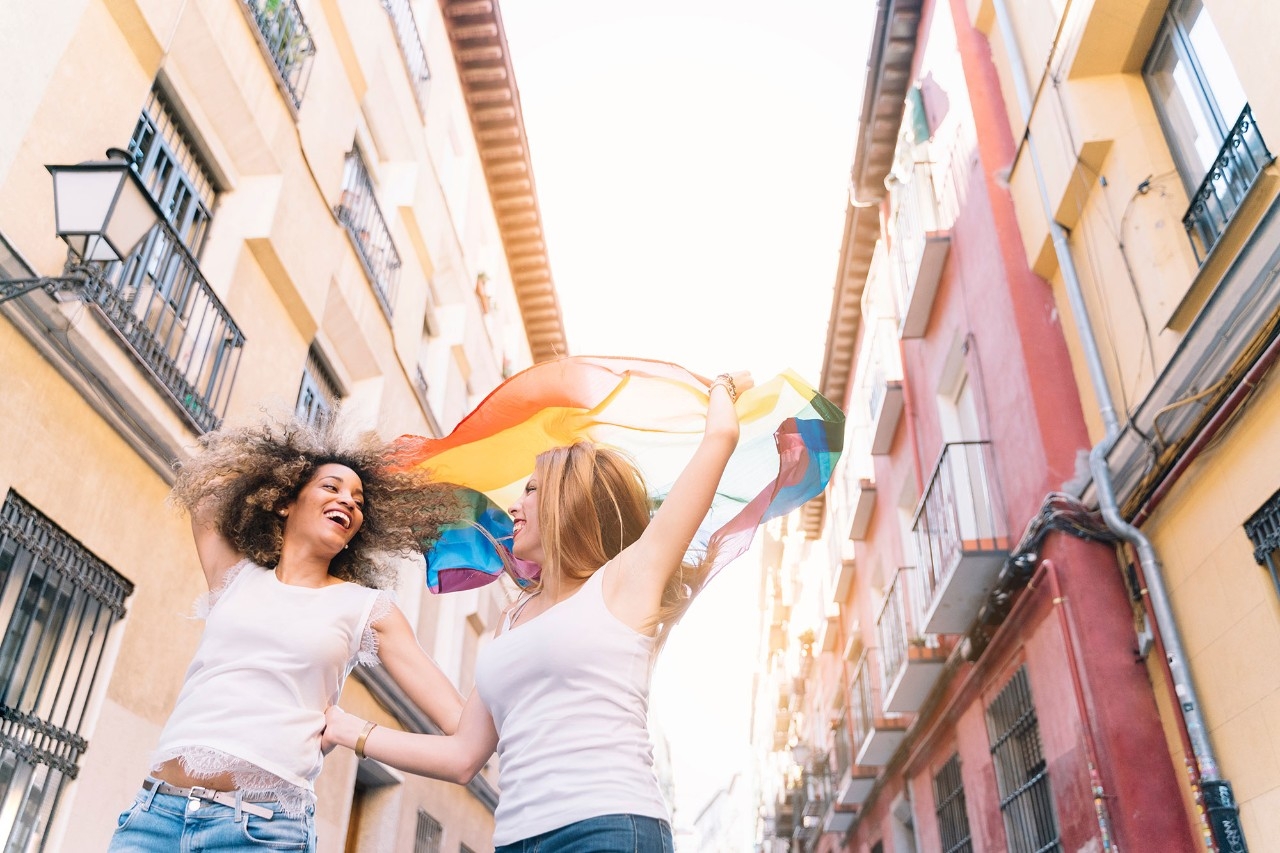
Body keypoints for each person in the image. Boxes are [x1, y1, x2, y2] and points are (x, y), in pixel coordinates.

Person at [323, 371, 753, 852]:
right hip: (515, 840)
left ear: (567, 499)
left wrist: (722, 388)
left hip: (607, 826)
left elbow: (721, 437)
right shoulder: (511, 620)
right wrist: (350, 729)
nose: (513, 505)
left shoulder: (627, 581)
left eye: (530, 489)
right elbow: (463, 756)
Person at [108, 416, 466, 852]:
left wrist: (357, 732)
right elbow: (208, 485)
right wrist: (272, 464)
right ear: (283, 502)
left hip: (261, 832)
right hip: (153, 820)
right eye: (331, 487)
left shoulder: (368, 609)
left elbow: (462, 728)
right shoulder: (233, 575)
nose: (349, 501)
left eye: (359, 499)